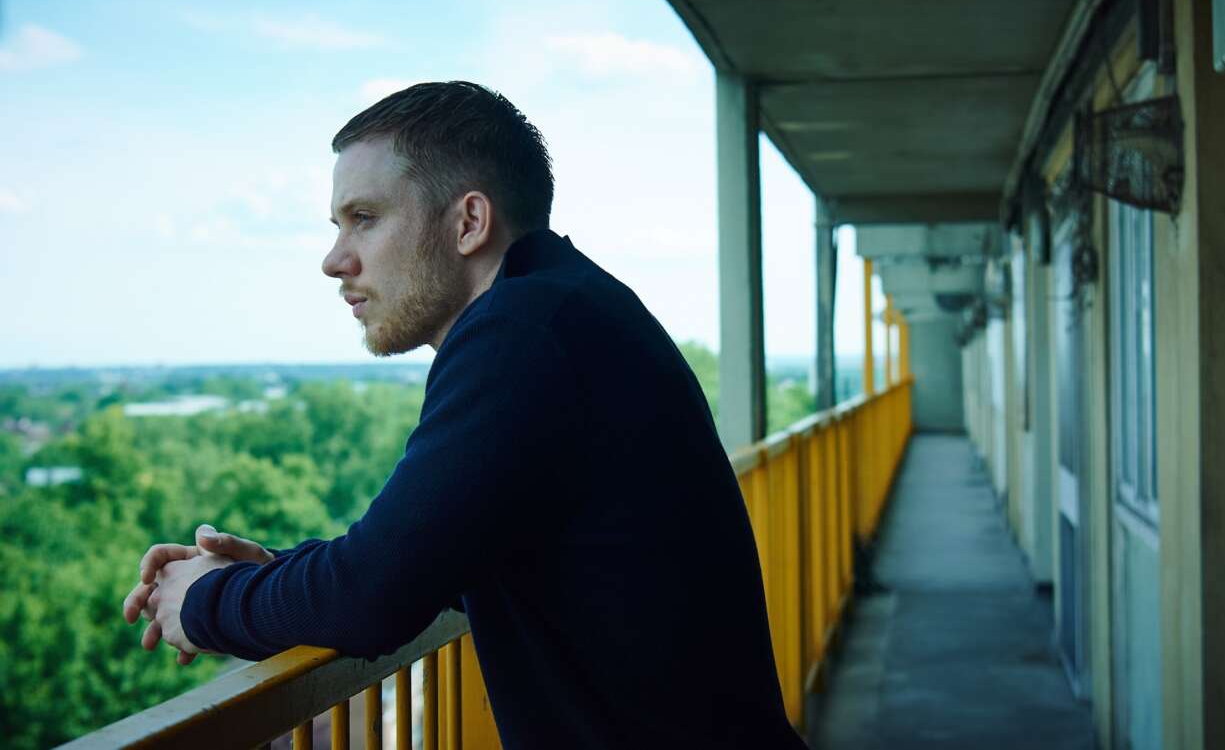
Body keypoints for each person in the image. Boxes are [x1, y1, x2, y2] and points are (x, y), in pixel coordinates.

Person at [121, 81, 807, 749]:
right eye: (338, 225)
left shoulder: (523, 332)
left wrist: (203, 603)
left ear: (469, 223)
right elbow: (438, 555)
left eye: (365, 218)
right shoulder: (566, 308)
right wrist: (273, 570)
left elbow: (372, 597)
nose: (335, 260)